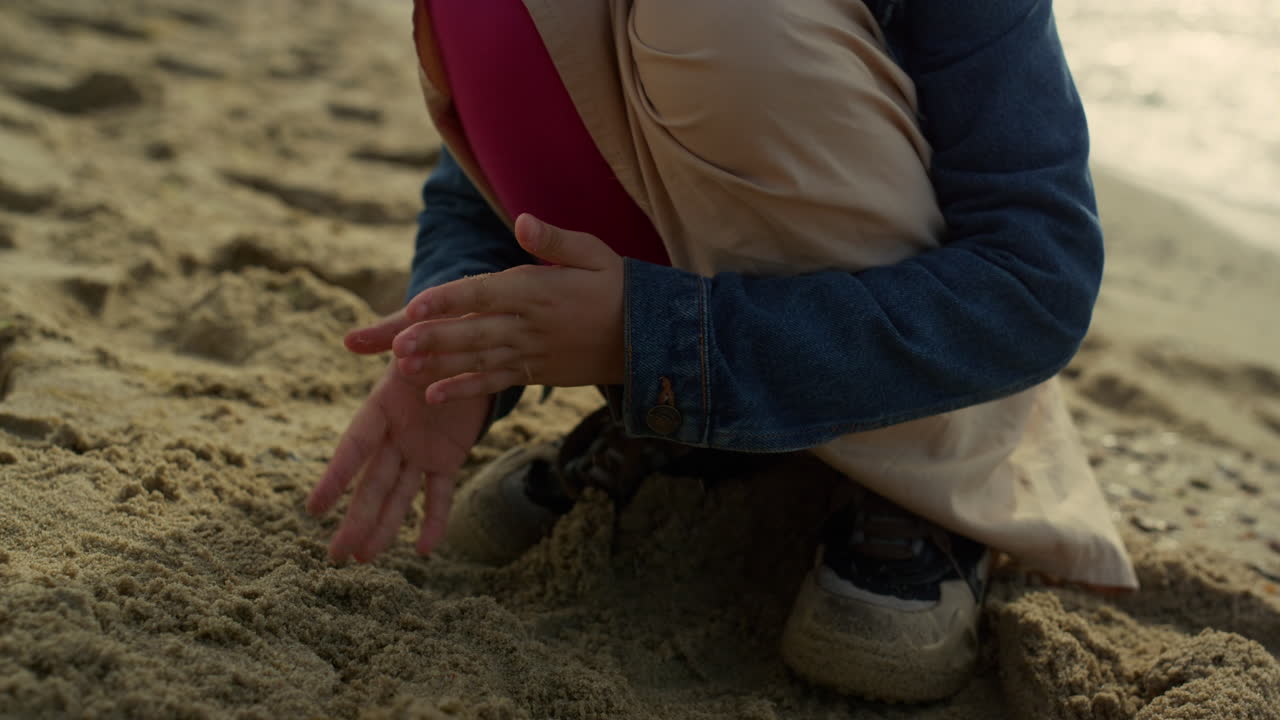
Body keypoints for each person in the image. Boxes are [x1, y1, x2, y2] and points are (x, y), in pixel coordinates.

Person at [307, 0, 1138, 703]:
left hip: (916, 387)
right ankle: (680, 424)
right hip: (681, 338)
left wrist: (661, 338)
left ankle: (919, 483)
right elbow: (477, 174)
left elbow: (1037, 275)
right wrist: (456, 344)